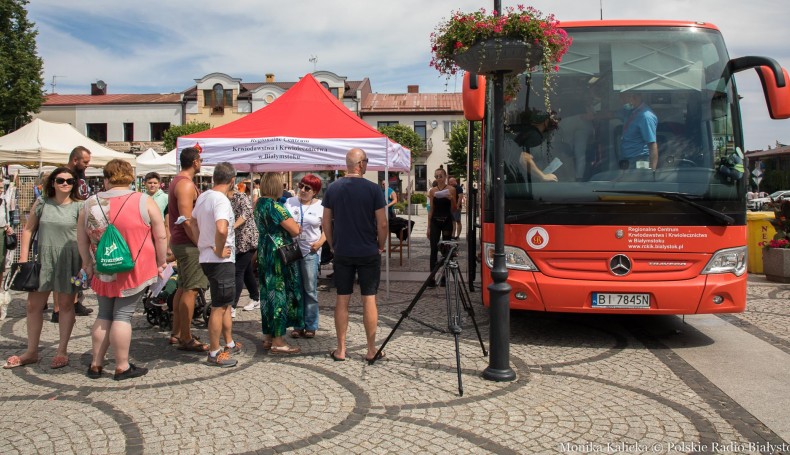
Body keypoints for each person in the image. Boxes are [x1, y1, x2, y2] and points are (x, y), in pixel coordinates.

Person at [77, 159, 167, 380]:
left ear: (106, 178)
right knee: (123, 315)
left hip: (103, 266)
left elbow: (80, 237)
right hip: (133, 268)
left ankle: (96, 364)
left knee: (104, 313)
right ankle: (122, 366)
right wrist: (161, 261)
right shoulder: (143, 200)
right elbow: (161, 234)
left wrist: (86, 263)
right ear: (130, 177)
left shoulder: (89, 203)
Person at [3, 167, 84, 369]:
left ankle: (62, 350)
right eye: (60, 180)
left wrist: (85, 264)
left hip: (69, 260)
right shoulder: (42, 203)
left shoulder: (79, 206)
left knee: (65, 305)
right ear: (53, 182)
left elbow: (84, 236)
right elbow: (29, 229)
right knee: (33, 305)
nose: (65, 183)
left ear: (75, 184)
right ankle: (32, 351)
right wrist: (23, 258)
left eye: (70, 180)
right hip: (43, 259)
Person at [322, 148, 388, 362]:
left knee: (342, 298)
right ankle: (371, 349)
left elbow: (325, 223)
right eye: (366, 161)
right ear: (360, 165)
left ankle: (341, 349)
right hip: (368, 251)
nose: (367, 164)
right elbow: (383, 223)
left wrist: (333, 245)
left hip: (343, 251)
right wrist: (380, 245)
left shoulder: (333, 188)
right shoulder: (373, 189)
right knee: (369, 299)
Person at [191, 162, 239, 367]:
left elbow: (192, 223)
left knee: (226, 303)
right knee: (219, 306)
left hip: (208, 258)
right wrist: (218, 249)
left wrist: (202, 243)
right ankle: (214, 351)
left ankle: (228, 342)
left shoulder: (203, 196)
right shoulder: (220, 200)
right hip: (220, 260)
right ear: (232, 181)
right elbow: (222, 228)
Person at [255, 172, 303, 355]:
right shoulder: (276, 207)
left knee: (267, 294)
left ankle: (268, 335)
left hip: (264, 250)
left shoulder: (259, 204)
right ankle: (278, 341)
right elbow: (295, 230)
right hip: (278, 254)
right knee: (279, 293)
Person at [167, 147, 209, 352]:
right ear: (195, 162)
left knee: (183, 287)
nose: (201, 163)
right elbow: (186, 220)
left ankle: (177, 332)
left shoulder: (179, 181)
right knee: (191, 290)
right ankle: (185, 336)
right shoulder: (184, 184)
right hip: (188, 243)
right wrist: (200, 242)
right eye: (200, 160)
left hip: (183, 242)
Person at [284, 174, 325, 339]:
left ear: (314, 191)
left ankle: (311, 325)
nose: (302, 190)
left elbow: (327, 229)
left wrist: (320, 243)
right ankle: (298, 324)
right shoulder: (290, 202)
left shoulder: (321, 206)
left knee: (310, 289)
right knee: (295, 289)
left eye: (307, 188)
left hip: (310, 251)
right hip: (293, 251)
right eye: (301, 186)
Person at [66, 145, 94, 318]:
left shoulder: (81, 175)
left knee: (80, 267)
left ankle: (76, 299)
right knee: (71, 268)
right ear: (75, 160)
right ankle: (63, 305)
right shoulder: (65, 176)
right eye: (85, 162)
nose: (87, 165)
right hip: (69, 227)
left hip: (81, 224)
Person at [227, 180, 260, 315]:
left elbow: (246, 214)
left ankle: (232, 306)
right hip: (235, 239)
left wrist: (232, 227)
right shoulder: (222, 198)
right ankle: (255, 297)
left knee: (238, 271)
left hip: (247, 239)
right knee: (246, 271)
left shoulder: (240, 196)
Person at [426, 168, 457, 287]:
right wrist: (428, 227)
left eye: (440, 176)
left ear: (445, 177)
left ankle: (444, 276)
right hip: (435, 220)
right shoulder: (433, 191)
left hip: (446, 220)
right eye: (436, 176)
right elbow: (431, 209)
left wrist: (452, 199)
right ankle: (432, 277)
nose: (438, 178)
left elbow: (454, 209)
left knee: (446, 249)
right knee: (433, 248)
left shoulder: (451, 189)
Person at [619, 91, 658, 170]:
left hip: (639, 160)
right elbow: (612, 114)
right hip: (627, 159)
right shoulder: (632, 112)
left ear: (633, 97)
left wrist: (652, 173)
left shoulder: (646, 117)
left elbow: (652, 144)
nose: (621, 102)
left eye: (623, 98)